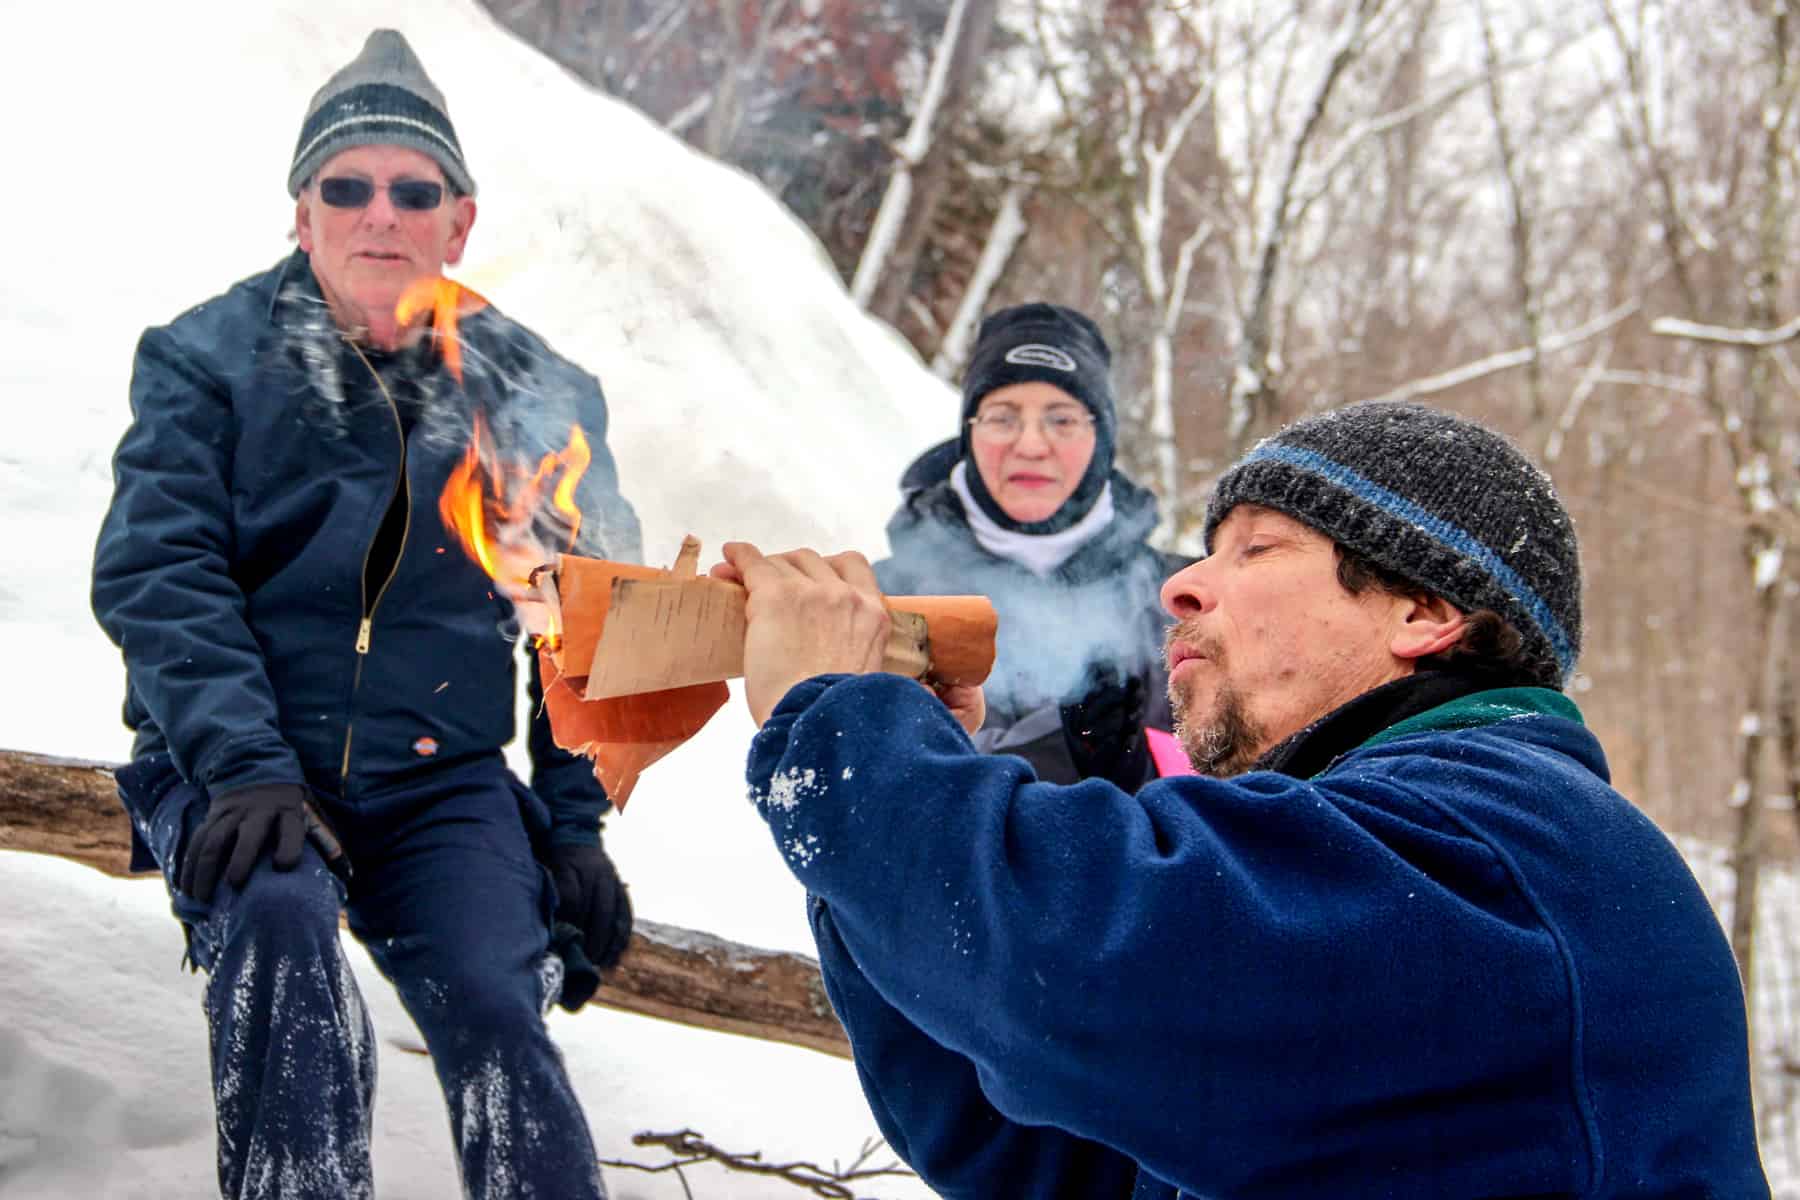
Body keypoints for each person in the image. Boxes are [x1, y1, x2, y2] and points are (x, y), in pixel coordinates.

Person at [714, 401, 1770, 1199]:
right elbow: (1048, 1163)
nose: (1181, 585)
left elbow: (1085, 962)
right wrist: (896, 797)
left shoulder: (1509, 841)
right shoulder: (1395, 839)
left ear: (1425, 612)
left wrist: (842, 725)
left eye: (1256, 550)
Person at [92, 30, 638, 1200]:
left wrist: (577, 824)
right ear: (301, 215)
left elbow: (587, 619)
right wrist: (241, 762)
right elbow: (158, 570)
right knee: (283, 931)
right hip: (243, 766)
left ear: (460, 222)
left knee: (499, 1000)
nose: (378, 214)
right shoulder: (205, 360)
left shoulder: (539, 393)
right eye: (346, 187)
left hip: (439, 779)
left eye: (411, 189)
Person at [874, 302, 1189, 788]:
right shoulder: (882, 599)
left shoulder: (1186, 606)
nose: (1031, 445)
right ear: (969, 434)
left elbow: (1232, 814)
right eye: (1002, 417)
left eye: (1062, 420)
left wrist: (1129, 772)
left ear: (1100, 438)